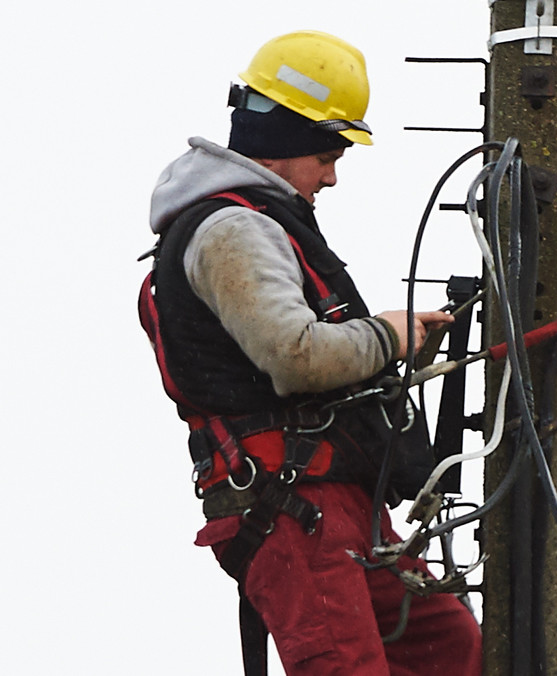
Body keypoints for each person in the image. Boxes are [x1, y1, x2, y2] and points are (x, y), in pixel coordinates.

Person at [140, 30, 483, 676]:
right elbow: (295, 356)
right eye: (328, 154)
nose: (330, 175)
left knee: (457, 654)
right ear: (289, 138)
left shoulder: (261, 221)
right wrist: (388, 336)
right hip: (294, 508)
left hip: (337, 503)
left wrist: (393, 343)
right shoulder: (231, 228)